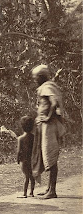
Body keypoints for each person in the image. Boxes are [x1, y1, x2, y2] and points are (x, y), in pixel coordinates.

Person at [31, 65, 67, 200]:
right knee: (46, 156)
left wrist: (47, 117)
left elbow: (53, 102)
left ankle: (52, 190)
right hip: (45, 125)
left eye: (35, 78)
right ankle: (49, 188)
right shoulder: (47, 86)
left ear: (41, 77)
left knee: (50, 156)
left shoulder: (47, 87)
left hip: (49, 126)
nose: (34, 80)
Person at [16, 115, 36, 198]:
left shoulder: (20, 138)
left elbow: (18, 151)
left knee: (26, 176)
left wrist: (18, 160)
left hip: (23, 160)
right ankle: (31, 192)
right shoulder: (33, 137)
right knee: (31, 176)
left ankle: (24, 193)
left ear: (22, 126)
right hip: (31, 160)